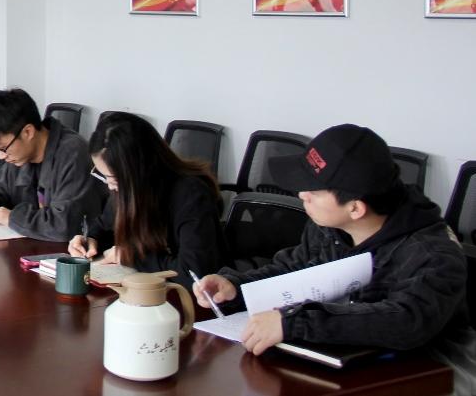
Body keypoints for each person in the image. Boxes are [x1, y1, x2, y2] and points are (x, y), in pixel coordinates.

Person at [195, 125, 475, 390]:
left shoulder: (432, 254)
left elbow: (406, 321)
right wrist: (236, 288)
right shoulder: (330, 226)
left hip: (430, 374)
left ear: (355, 208)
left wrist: (296, 322)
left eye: (314, 191)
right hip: (346, 362)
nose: (302, 195)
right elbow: (294, 270)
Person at [69, 112, 226, 289]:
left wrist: (132, 257)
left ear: (138, 172)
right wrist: (90, 239)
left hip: (189, 298)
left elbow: (194, 274)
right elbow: (104, 225)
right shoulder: (126, 190)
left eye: (113, 178)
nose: (110, 186)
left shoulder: (191, 195)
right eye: (103, 176)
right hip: (143, 291)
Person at [0, 88, 106, 241]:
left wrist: (12, 218)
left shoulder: (73, 154)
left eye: (2, 148)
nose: (0, 156)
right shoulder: (19, 154)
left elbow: (65, 225)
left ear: (28, 132)